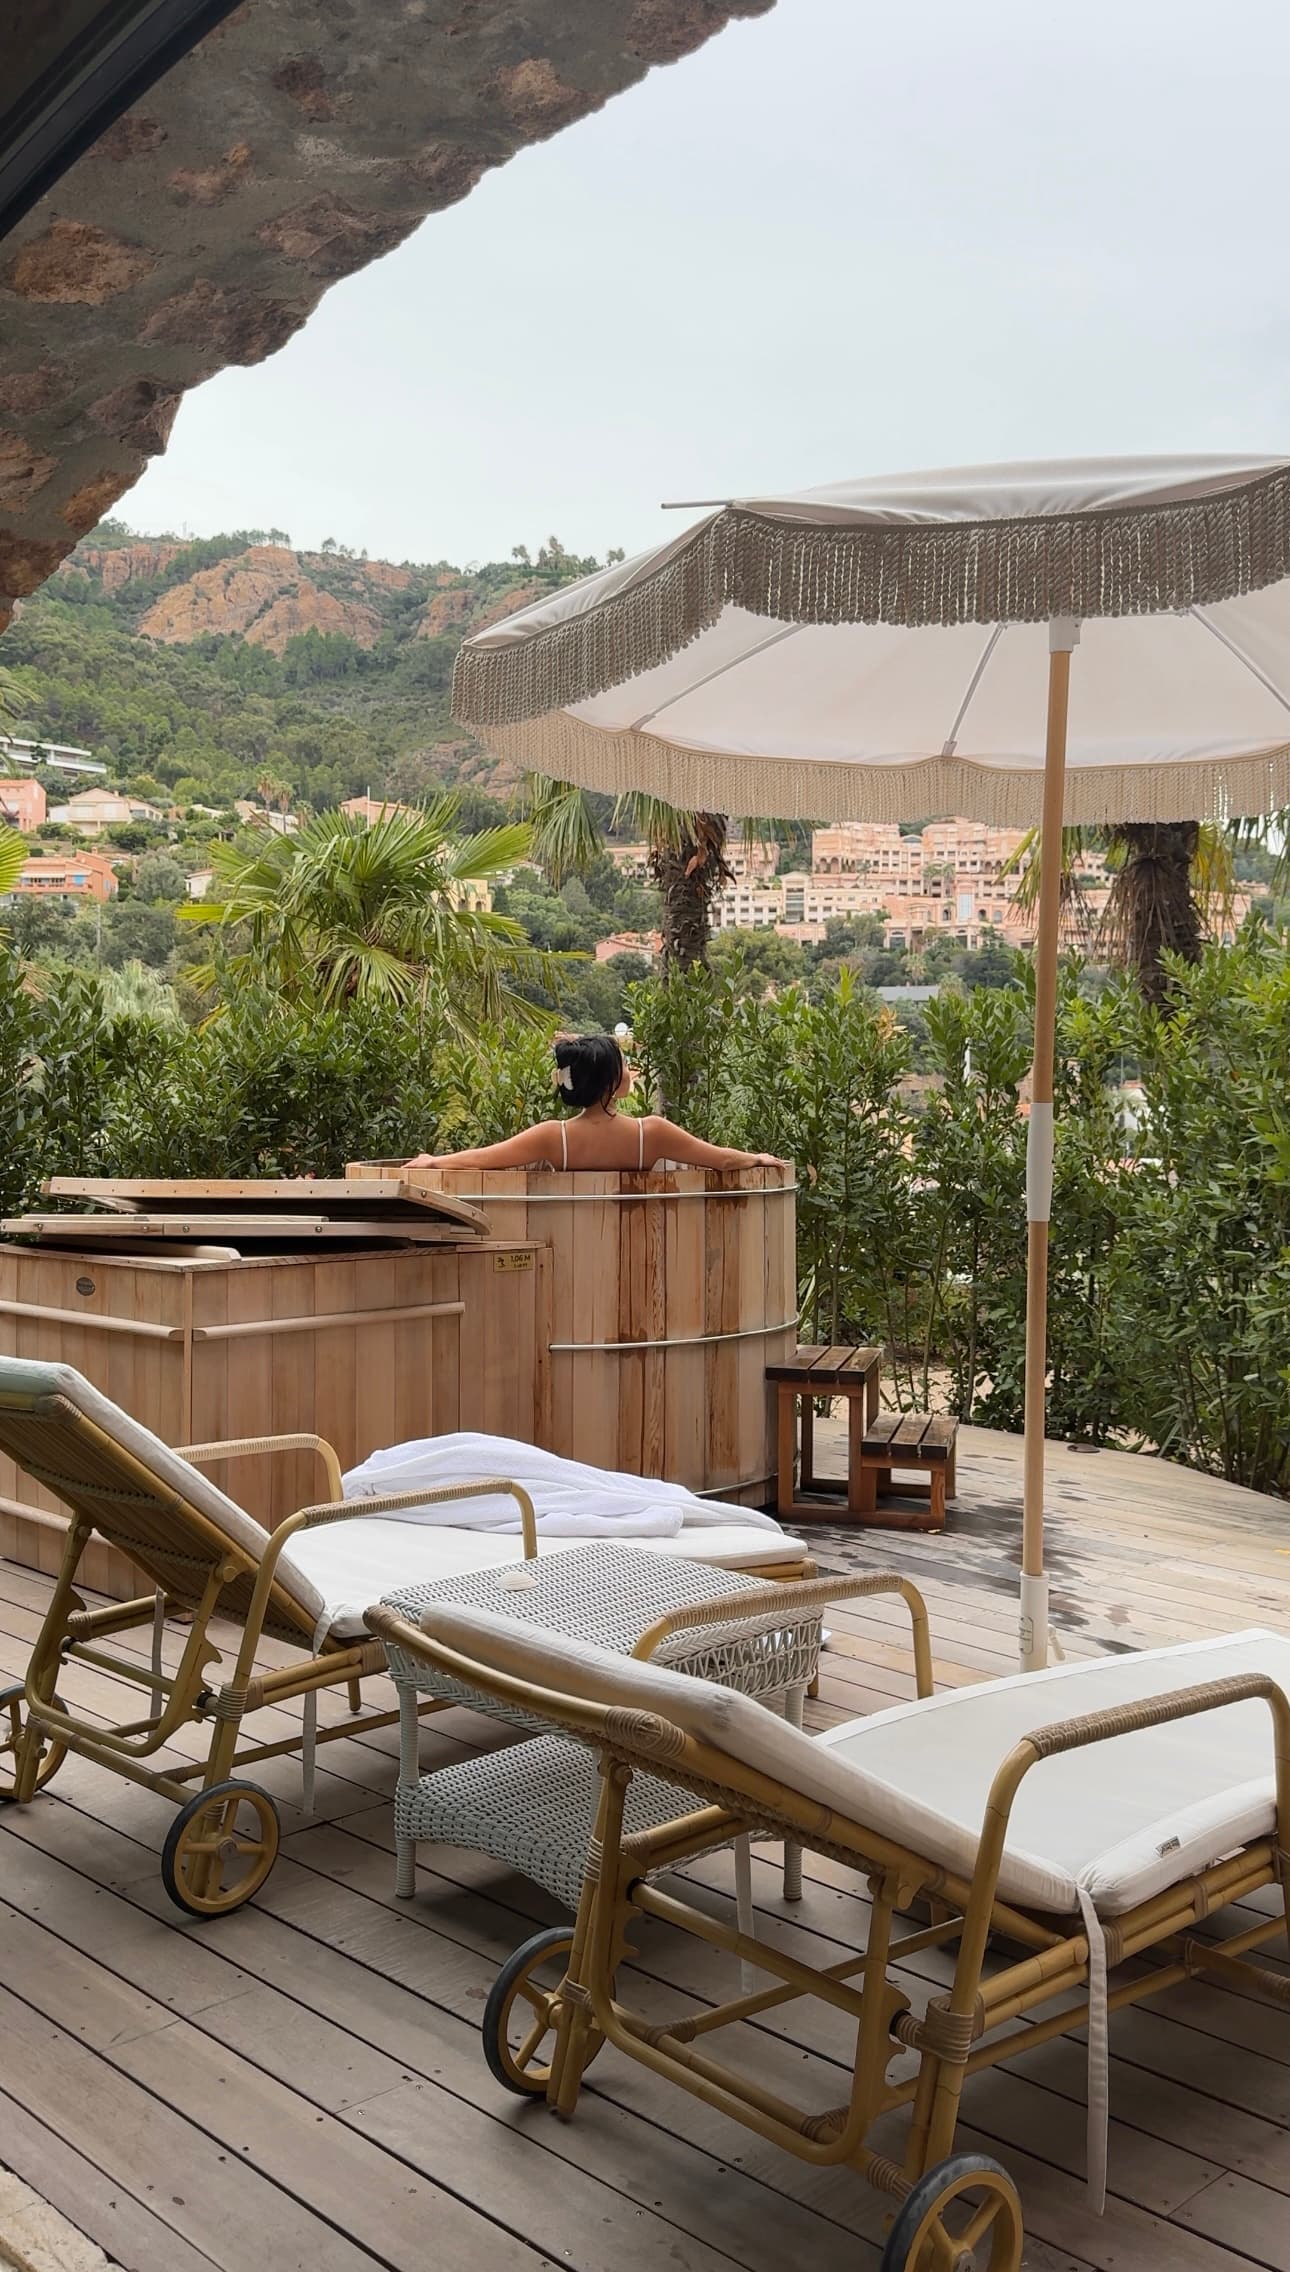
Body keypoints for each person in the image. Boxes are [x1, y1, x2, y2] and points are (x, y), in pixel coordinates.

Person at [404, 1032, 785, 1173]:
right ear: (611, 1082)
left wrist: (434, 1160)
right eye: (624, 1067)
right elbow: (720, 1158)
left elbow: (484, 1158)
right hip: (640, 1252)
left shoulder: (555, 1137)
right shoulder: (650, 1133)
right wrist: (757, 1158)